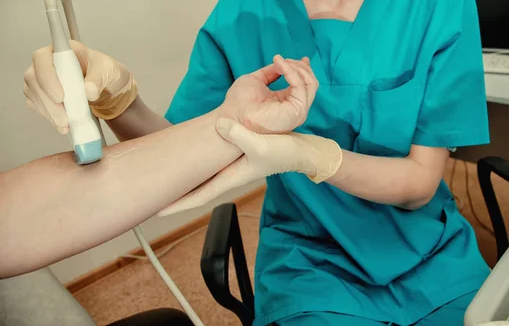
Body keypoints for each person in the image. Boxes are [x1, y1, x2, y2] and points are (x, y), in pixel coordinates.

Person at [23, 0, 491, 325]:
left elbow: (419, 184)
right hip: (309, 265)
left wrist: (311, 155)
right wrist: (119, 100)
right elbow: (175, 157)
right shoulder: (241, 11)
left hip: (431, 255)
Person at [2, 54, 327, 279]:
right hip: (304, 254)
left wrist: (323, 159)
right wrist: (234, 121)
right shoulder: (241, 10)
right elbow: (176, 168)